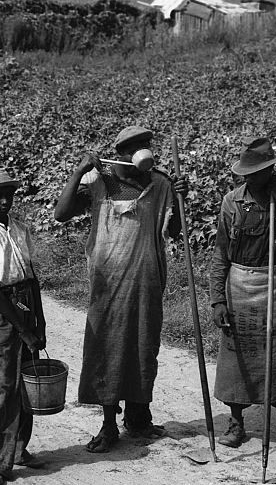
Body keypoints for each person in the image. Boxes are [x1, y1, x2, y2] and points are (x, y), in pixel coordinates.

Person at [53, 126, 187, 453]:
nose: (143, 152)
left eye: (146, 146)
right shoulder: (100, 182)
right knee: (108, 347)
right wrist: (79, 170)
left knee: (143, 346)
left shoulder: (161, 184)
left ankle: (138, 417)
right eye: (134, 148)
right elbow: (61, 214)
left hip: (147, 279)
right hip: (108, 283)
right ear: (121, 154)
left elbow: (174, 229)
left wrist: (183, 197)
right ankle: (109, 423)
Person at [209, 136, 276, 452]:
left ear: (270, 170)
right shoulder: (232, 202)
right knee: (236, 355)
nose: (248, 178)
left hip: (274, 283)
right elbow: (221, 253)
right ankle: (237, 424)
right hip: (239, 284)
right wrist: (217, 299)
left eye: (255, 172)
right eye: (245, 173)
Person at [0, 168, 47, 485]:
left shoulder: (19, 229)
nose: (4, 200)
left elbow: (31, 278)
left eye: (9, 194)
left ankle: (17, 448)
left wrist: (38, 321)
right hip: (4, 311)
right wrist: (22, 329)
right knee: (3, 386)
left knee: (27, 382)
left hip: (26, 302)